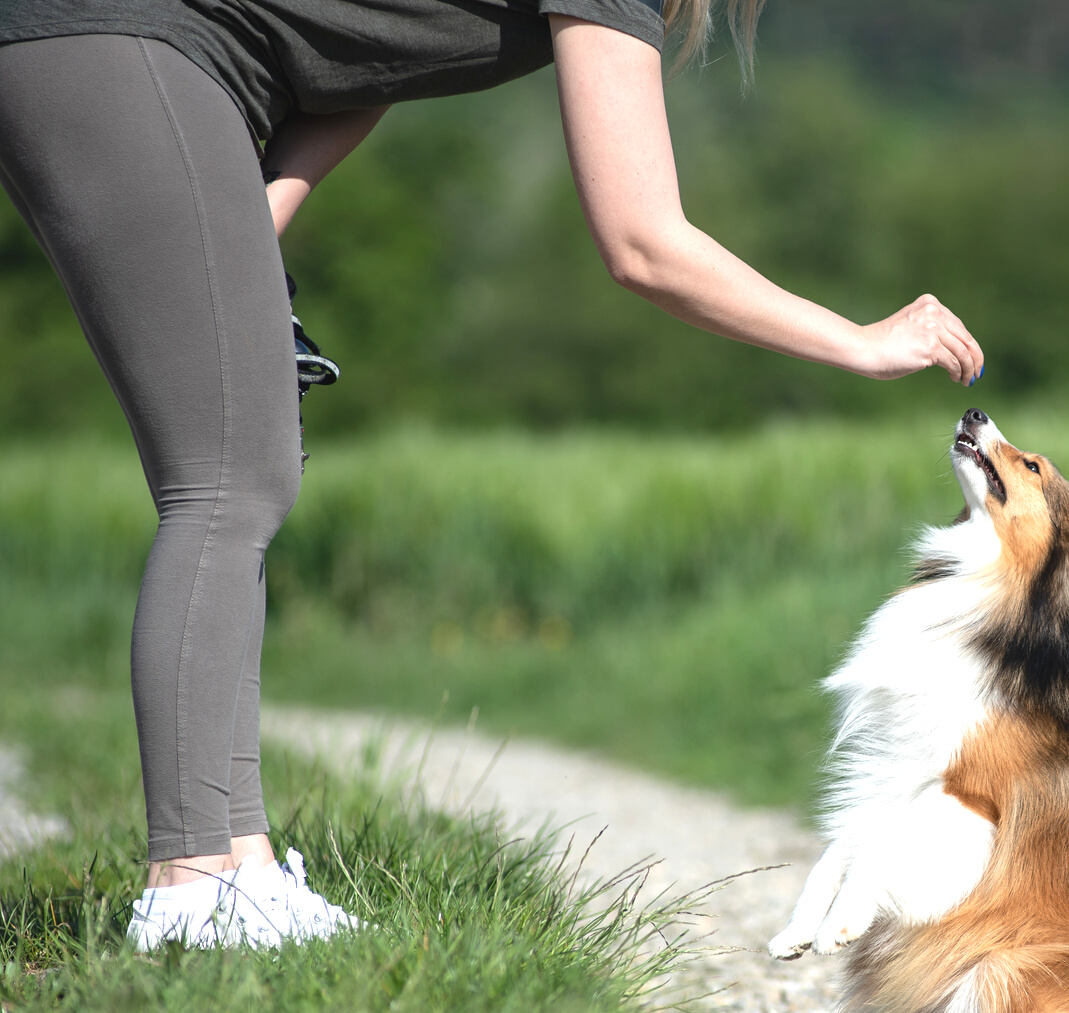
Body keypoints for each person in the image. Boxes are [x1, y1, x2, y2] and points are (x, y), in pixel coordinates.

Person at [0, 0, 985, 950]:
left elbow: (358, 60)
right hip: (120, 37)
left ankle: (241, 866)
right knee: (226, 482)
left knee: (252, 470)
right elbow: (643, 244)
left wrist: (251, 230)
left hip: (174, 67)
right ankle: (189, 888)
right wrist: (857, 340)